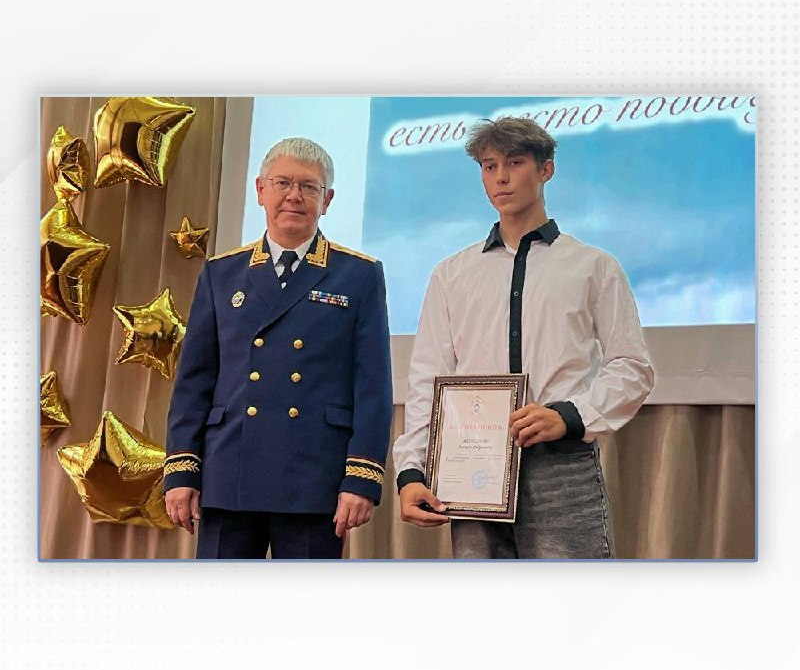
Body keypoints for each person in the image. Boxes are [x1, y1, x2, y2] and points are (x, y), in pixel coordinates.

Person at [393, 117, 654, 559]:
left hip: (560, 463)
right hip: (472, 463)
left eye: (514, 163)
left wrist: (570, 415)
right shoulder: (452, 274)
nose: (501, 177)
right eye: (489, 166)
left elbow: (633, 367)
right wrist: (411, 471)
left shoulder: (593, 266)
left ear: (546, 169)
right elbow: (428, 380)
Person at [163, 137, 393, 559]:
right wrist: (182, 468)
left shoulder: (358, 275)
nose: (294, 195)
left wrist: (361, 478)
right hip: (230, 470)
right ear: (260, 190)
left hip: (314, 478)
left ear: (327, 200)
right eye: (282, 183)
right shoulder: (221, 273)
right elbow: (194, 381)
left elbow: (373, 386)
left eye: (308, 186)